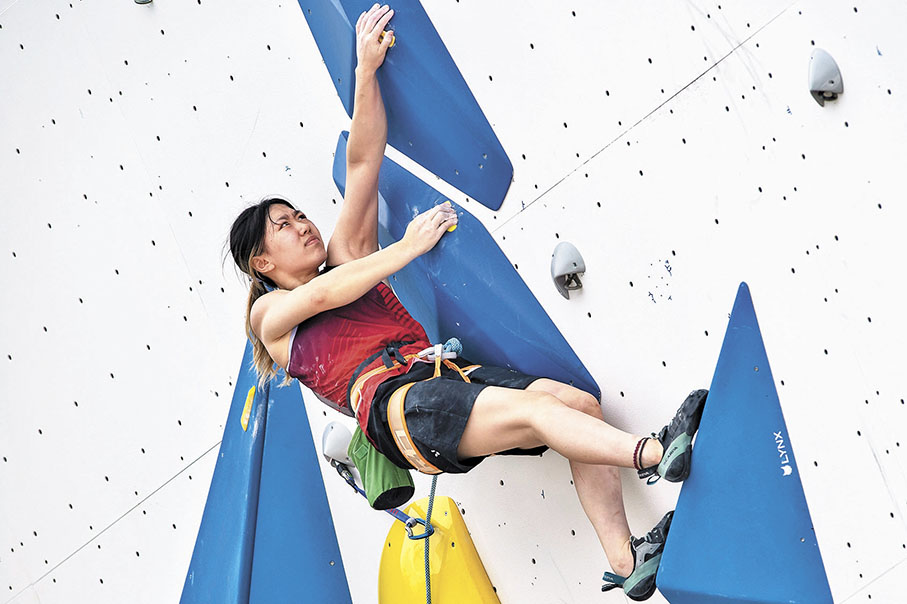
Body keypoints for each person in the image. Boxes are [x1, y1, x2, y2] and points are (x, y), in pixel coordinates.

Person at [227, 4, 706, 600]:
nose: (303, 225)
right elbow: (325, 293)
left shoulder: (347, 256)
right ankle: (657, 452)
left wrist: (366, 72)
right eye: (284, 225)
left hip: (437, 377)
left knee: (575, 405)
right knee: (537, 413)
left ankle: (626, 560)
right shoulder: (269, 318)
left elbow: (363, 159)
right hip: (399, 409)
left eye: (299, 214)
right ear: (262, 264)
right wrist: (406, 248)